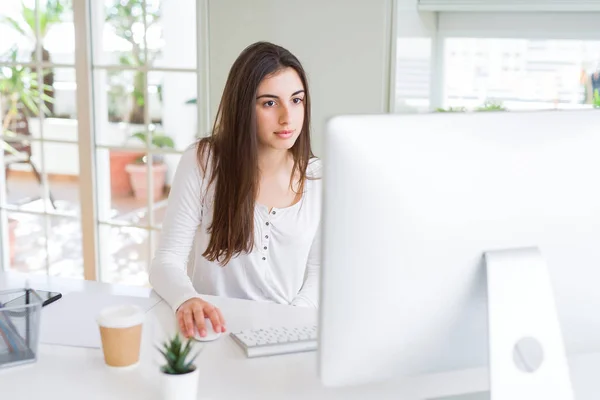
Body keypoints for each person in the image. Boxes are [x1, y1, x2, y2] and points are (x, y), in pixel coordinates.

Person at [149, 42, 322, 339]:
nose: (287, 117)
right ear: (243, 107)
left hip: (287, 332)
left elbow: (321, 270)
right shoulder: (203, 162)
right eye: (270, 103)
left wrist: (291, 319)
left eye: (296, 100)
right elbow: (166, 260)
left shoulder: (318, 176)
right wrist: (186, 299)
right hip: (214, 330)